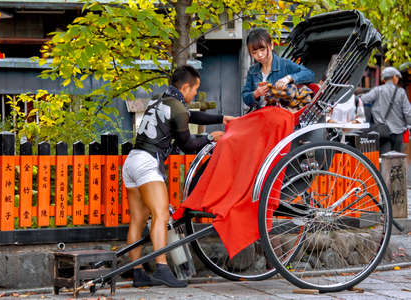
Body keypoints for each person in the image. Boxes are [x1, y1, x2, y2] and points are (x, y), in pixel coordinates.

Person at [122, 65, 234, 288]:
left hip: (132, 161)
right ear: (185, 87)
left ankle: (137, 273)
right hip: (147, 164)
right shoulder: (177, 108)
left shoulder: (160, 101)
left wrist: (222, 117)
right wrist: (212, 139)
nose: (195, 94)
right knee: (161, 215)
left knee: (137, 219)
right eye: (195, 89)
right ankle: (162, 268)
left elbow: (191, 115)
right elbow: (188, 144)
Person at [242, 28, 315, 111]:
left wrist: (289, 78)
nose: (259, 55)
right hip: (260, 114)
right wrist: (256, 94)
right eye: (254, 53)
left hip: (281, 114)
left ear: (271, 45)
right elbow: (245, 97)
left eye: (262, 50)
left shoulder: (285, 64)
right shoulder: (252, 71)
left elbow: (310, 74)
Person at [360, 66, 411, 153]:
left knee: (384, 159)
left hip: (382, 131)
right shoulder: (401, 92)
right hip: (398, 132)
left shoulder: (377, 90)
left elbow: (363, 99)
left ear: (384, 79)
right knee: (398, 160)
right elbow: (408, 112)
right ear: (394, 77)